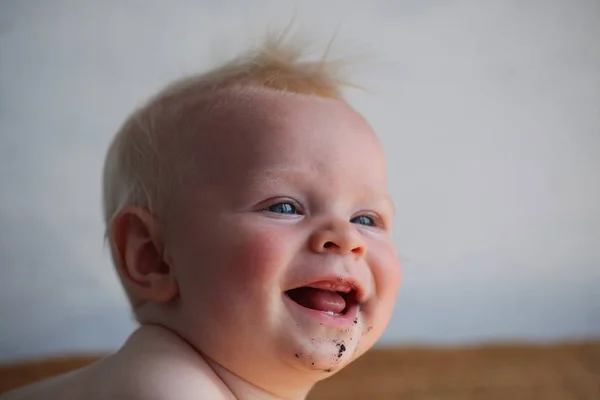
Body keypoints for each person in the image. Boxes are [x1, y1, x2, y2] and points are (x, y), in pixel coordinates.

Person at [1, 32, 401, 400]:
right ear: (154, 257)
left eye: (367, 218)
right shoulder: (162, 380)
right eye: (284, 207)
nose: (347, 237)